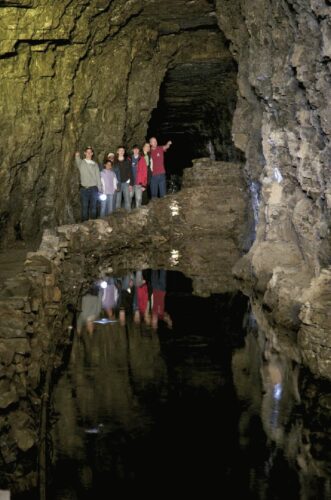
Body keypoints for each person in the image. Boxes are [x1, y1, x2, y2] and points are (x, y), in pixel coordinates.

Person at [75, 147, 102, 221]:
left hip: (94, 188)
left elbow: (98, 177)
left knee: (93, 207)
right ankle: (84, 224)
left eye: (90, 152)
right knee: (84, 207)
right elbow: (77, 158)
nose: (89, 153)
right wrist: (77, 155)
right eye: (87, 152)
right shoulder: (81, 162)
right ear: (85, 153)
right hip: (84, 188)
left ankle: (93, 223)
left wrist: (100, 189)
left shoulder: (95, 164)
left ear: (92, 153)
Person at [113, 146, 133, 211]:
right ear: (117, 151)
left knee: (127, 200)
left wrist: (131, 184)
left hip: (126, 183)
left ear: (124, 152)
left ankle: (129, 214)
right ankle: (117, 216)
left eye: (123, 151)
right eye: (120, 150)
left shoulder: (127, 160)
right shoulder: (114, 162)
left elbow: (130, 172)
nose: (121, 152)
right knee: (117, 201)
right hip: (117, 183)